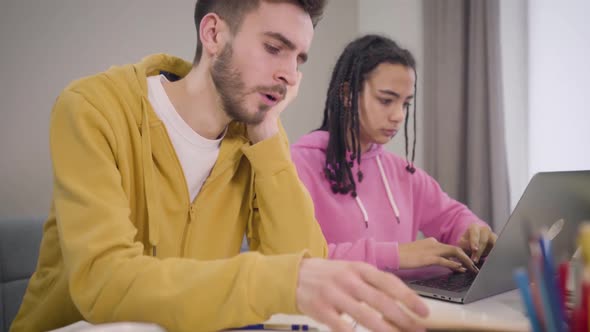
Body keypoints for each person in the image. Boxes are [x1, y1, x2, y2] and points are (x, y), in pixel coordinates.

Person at [11, 3, 429, 332]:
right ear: (213, 34)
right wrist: (276, 281)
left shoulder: (256, 137)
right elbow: (104, 283)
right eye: (273, 48)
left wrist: (266, 132)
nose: (288, 74)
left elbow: (304, 262)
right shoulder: (93, 109)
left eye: (298, 58)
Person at [291, 34, 497, 274]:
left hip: (402, 305)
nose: (398, 115)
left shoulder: (402, 172)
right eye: (386, 100)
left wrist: (473, 230)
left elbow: (452, 216)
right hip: (331, 309)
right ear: (347, 94)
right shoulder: (298, 165)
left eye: (405, 103)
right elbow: (299, 259)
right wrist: (397, 255)